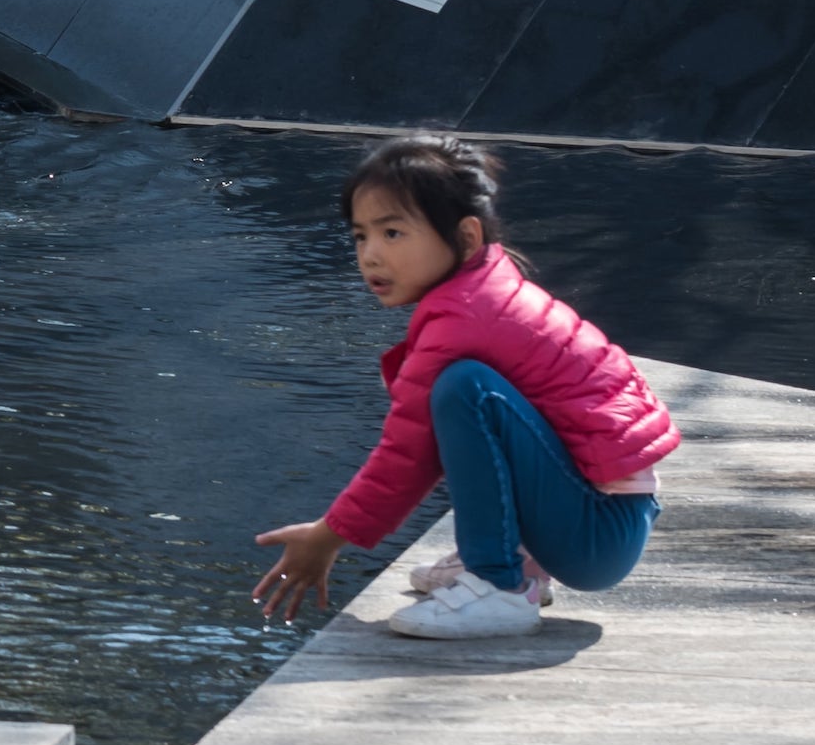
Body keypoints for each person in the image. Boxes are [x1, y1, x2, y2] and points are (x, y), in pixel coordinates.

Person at [254, 135, 680, 639]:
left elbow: (406, 456)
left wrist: (329, 537)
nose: (370, 256)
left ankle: (498, 587)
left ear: (467, 237)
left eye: (392, 233)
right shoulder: (481, 288)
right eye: (360, 237)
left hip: (599, 532)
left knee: (463, 389)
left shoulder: (466, 318)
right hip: (603, 516)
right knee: (465, 391)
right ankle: (513, 562)